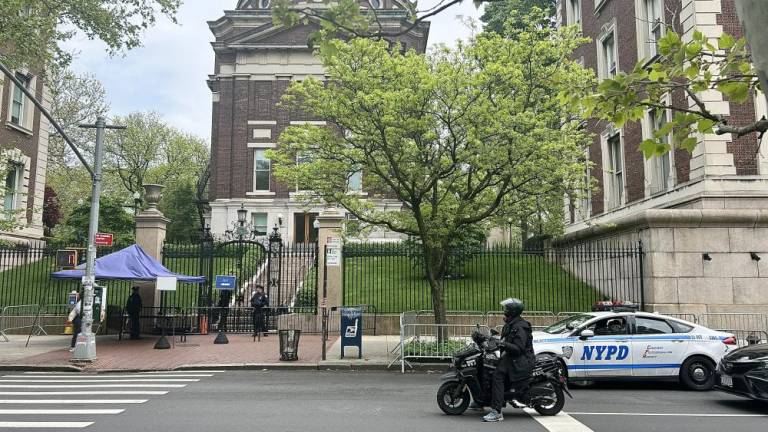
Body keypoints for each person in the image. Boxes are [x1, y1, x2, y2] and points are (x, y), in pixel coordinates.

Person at [482, 298, 535, 423]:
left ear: (512, 311)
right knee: (489, 366)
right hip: (512, 357)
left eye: (506, 309)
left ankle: (497, 411)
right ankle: (482, 400)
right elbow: (505, 339)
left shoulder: (520, 327)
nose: (504, 311)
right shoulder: (511, 323)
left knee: (497, 376)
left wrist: (502, 344)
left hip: (520, 360)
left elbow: (518, 348)